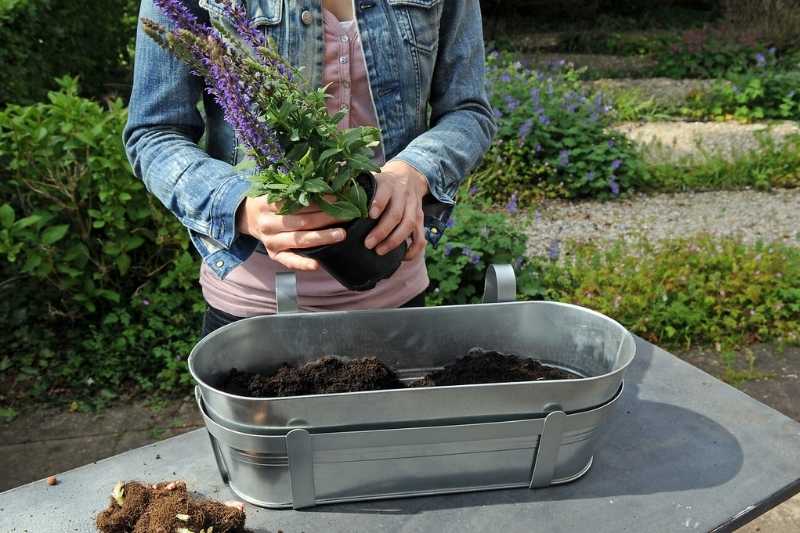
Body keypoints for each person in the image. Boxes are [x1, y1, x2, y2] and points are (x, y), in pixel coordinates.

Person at [124, 0, 496, 337]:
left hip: (395, 295)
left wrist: (414, 171)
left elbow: (469, 111)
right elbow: (154, 133)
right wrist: (240, 206)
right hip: (254, 308)